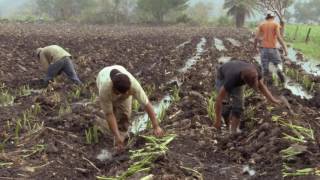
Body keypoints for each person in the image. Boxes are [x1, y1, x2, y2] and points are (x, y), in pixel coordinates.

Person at [96, 65, 164, 150]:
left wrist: (156, 126)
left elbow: (146, 104)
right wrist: (116, 135)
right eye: (118, 93)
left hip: (121, 82)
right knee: (110, 111)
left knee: (124, 115)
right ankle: (116, 137)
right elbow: (109, 114)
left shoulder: (133, 85)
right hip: (102, 78)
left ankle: (121, 140)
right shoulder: (105, 90)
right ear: (114, 88)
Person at [214, 60, 282, 134]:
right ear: (244, 80)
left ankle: (233, 131)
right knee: (225, 105)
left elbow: (262, 86)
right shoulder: (232, 79)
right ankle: (224, 125)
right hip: (222, 77)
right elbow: (219, 99)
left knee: (238, 107)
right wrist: (217, 120)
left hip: (237, 74)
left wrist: (273, 100)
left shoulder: (256, 72)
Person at [254, 11, 288, 83]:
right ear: (273, 17)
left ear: (266, 17)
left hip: (264, 49)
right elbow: (279, 37)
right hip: (273, 49)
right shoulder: (276, 24)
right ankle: (279, 71)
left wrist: (255, 47)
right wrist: (285, 48)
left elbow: (256, 38)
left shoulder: (261, 25)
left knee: (264, 67)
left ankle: (264, 83)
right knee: (278, 63)